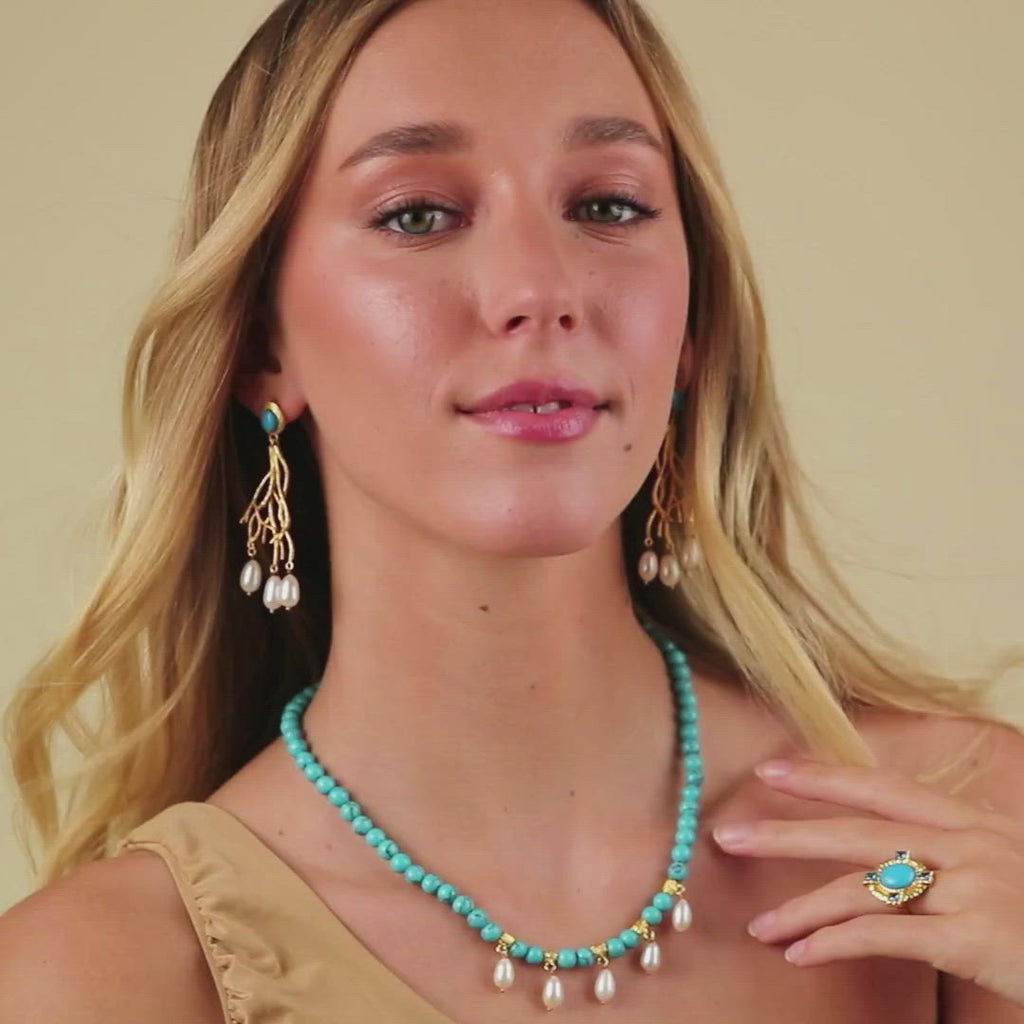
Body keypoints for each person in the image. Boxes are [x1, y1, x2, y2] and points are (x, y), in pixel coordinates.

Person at [2, 0, 1023, 1020]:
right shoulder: (96, 977)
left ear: (690, 326)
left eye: (608, 205)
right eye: (417, 214)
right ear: (261, 343)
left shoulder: (967, 822)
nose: (540, 288)